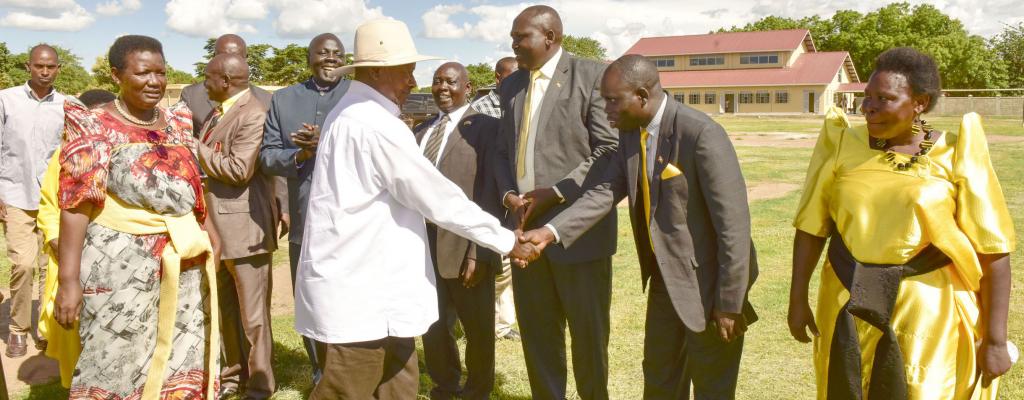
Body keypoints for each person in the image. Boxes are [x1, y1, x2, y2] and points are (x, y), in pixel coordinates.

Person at [292, 19, 536, 399]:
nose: (414, 82)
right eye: (406, 71)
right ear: (376, 71)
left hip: (379, 296)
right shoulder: (373, 124)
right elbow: (438, 197)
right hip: (363, 299)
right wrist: (507, 240)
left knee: (399, 387)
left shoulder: (354, 114)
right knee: (348, 390)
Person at [518, 54, 758, 399]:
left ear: (642, 96)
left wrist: (730, 303)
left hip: (709, 287)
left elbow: (733, 226)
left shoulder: (701, 134)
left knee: (712, 386)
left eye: (613, 101)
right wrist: (549, 232)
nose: (606, 110)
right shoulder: (631, 134)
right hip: (665, 282)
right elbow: (603, 191)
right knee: (659, 379)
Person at [787, 47, 1015, 399]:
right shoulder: (842, 144)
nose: (868, 108)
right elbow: (811, 228)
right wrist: (797, 297)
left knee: (920, 388)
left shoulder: (954, 154)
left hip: (926, 307)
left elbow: (993, 248)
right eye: (866, 97)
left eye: (884, 98)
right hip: (846, 296)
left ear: (919, 103)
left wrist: (997, 340)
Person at [53, 35, 221, 399]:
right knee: (114, 354)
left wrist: (210, 233)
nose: (154, 81)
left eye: (160, 72)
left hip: (183, 262)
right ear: (116, 75)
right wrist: (69, 281)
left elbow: (191, 190)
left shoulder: (177, 122)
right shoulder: (93, 125)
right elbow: (76, 206)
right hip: (118, 267)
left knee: (183, 349)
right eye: (143, 72)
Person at [493, 6, 618, 399]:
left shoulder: (592, 76)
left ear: (550, 36)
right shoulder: (511, 86)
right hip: (525, 233)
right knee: (539, 340)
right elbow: (500, 152)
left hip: (578, 235)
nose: (514, 44)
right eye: (512, 38)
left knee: (588, 341)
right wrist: (509, 195)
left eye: (521, 37)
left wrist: (557, 192)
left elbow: (609, 151)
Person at [257, 32, 349, 383]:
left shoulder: (358, 96)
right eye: (322, 53)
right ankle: (319, 368)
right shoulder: (283, 100)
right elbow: (267, 156)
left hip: (351, 215)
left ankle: (349, 367)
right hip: (305, 215)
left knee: (347, 293)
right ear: (309, 57)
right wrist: (302, 153)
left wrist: (325, 141)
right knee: (308, 293)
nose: (330, 59)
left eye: (336, 53)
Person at [415, 62, 502, 399]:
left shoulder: (487, 129)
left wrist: (480, 250)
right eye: (437, 81)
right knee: (433, 325)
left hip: (467, 245)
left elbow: (490, 193)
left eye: (451, 82)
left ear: (468, 87)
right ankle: (445, 384)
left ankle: (478, 389)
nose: (443, 88)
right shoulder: (421, 131)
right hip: (424, 244)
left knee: (478, 328)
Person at [197, 54, 278, 399]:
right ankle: (233, 377)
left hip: (246, 233)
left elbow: (238, 169)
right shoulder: (220, 112)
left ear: (226, 80)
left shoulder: (254, 113)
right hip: (218, 231)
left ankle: (260, 384)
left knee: (254, 318)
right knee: (227, 311)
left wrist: (192, 149)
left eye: (209, 77)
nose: (204, 83)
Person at [36, 89, 115, 388]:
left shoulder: (123, 149)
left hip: (115, 263)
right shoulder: (67, 153)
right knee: (75, 339)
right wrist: (60, 243)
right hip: (73, 260)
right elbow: (49, 206)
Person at [0, 43, 65, 358]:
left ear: (58, 69)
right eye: (39, 65)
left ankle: (45, 329)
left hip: (52, 201)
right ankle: (17, 329)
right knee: (23, 265)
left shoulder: (67, 105)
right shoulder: (6, 100)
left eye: (50, 66)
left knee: (49, 266)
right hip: (15, 195)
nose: (44, 71)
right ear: (29, 66)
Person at [180, 34, 272, 136]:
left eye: (236, 57)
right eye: (223, 57)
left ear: (246, 59)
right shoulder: (191, 96)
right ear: (213, 57)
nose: (229, 62)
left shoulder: (266, 100)